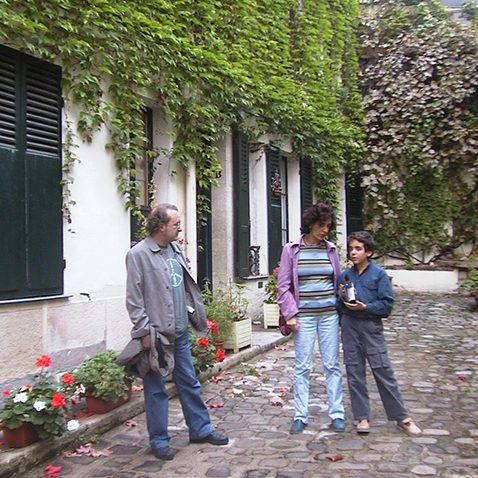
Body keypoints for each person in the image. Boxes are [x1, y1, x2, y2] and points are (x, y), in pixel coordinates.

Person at [123, 204, 228, 460]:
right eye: (176, 224)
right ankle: (159, 440)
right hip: (156, 335)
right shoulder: (138, 254)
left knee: (189, 382)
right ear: (160, 226)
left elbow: (181, 287)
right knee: (156, 388)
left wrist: (194, 313)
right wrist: (143, 330)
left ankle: (200, 429)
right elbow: (134, 299)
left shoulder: (175, 249)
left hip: (179, 331)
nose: (179, 227)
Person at [338, 230, 422, 436]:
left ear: (369, 252)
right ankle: (362, 417)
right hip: (350, 327)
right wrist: (341, 299)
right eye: (351, 249)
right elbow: (338, 306)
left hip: (370, 327)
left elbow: (386, 306)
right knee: (354, 373)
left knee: (383, 371)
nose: (353, 253)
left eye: (358, 249)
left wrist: (365, 307)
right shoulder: (345, 276)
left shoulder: (380, 275)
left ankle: (402, 417)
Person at [277, 203, 346, 434]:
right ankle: (300, 414)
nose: (325, 230)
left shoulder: (331, 250)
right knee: (303, 367)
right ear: (310, 224)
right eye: (321, 225)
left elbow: (337, 282)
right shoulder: (292, 250)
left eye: (328, 226)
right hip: (303, 317)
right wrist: (291, 314)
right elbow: (283, 286)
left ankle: (337, 413)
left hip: (328, 315)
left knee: (332, 365)